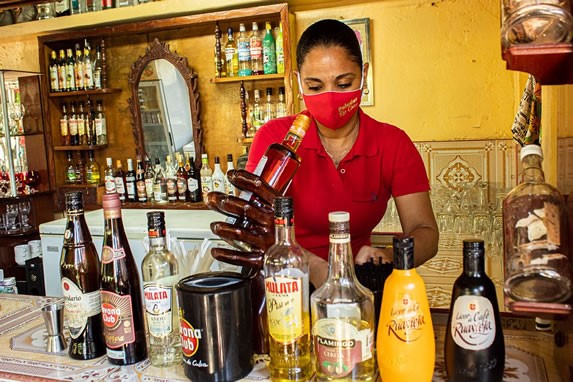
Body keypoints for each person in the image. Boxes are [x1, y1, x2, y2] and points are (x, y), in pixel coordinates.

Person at [208, 19, 439, 289]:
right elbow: (257, 227)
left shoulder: (393, 144)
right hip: (284, 286)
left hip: (354, 285)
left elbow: (426, 233)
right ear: (298, 82)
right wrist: (313, 265)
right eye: (315, 87)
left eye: (343, 84)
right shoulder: (275, 140)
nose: (330, 96)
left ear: (363, 75)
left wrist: (389, 257)